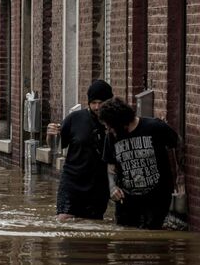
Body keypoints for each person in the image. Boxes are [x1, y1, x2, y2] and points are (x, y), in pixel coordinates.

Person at [99, 97, 181, 229]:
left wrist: (179, 179)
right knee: (125, 239)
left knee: (151, 237)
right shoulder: (111, 136)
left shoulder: (154, 127)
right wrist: (112, 187)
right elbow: (110, 165)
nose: (109, 130)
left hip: (157, 196)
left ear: (120, 122)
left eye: (110, 126)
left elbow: (177, 144)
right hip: (126, 198)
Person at [46, 80, 113, 221]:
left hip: (98, 185)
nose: (97, 107)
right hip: (72, 181)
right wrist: (50, 135)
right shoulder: (74, 119)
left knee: (93, 224)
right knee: (64, 219)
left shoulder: (113, 123)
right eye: (93, 102)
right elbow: (55, 147)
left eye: (101, 102)